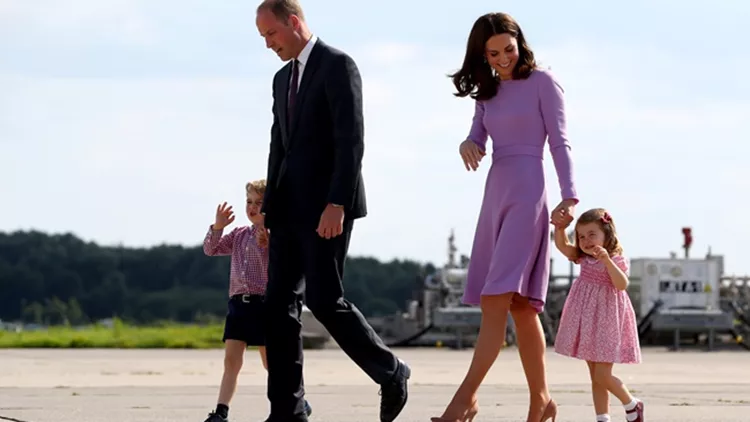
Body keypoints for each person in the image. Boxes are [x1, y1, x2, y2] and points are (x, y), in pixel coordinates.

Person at [254, 1, 411, 421]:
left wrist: (337, 203)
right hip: (286, 209)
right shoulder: (280, 78)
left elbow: (351, 140)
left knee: (324, 299)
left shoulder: (338, 65)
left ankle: (391, 372)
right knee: (278, 307)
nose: (268, 45)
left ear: (293, 22)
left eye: (271, 34)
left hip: (327, 207)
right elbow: (277, 146)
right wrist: (267, 212)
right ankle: (286, 410)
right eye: (262, 38)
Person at [432, 12, 579, 422]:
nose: (502, 59)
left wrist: (569, 196)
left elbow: (561, 143)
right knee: (519, 308)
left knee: (495, 300)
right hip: (496, 191)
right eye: (492, 53)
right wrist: (467, 143)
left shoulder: (544, 83)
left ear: (520, 42)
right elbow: (478, 134)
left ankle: (465, 399)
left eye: (508, 50)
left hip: (530, 190)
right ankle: (542, 401)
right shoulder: (487, 91)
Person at [201, 179, 312, 422]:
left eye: (259, 203)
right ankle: (221, 411)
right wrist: (217, 226)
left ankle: (295, 402)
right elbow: (211, 249)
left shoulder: (279, 236)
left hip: (265, 306)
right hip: (239, 306)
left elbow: (286, 267)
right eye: (249, 202)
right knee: (231, 361)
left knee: (270, 362)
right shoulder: (240, 234)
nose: (252, 207)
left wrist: (270, 244)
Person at [552, 208, 644, 422]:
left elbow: (621, 284)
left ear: (607, 234)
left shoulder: (616, 259)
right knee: (595, 374)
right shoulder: (583, 258)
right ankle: (602, 418)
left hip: (607, 319)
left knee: (603, 374)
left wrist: (606, 261)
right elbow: (563, 246)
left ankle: (632, 404)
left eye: (592, 235)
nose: (586, 241)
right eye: (581, 236)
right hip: (586, 318)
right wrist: (560, 228)